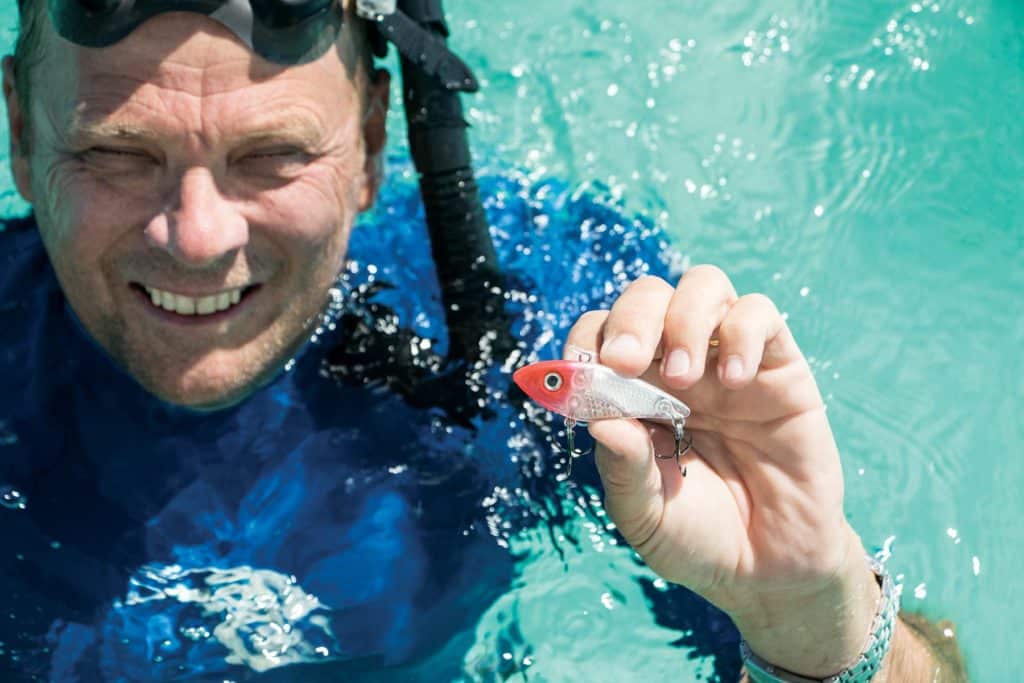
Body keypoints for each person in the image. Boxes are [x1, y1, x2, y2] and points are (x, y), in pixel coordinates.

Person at [0, 0, 966, 680]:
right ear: (18, 132)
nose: (198, 236)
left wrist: (808, 608)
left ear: (375, 139)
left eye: (274, 156)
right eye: (118, 153)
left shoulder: (553, 323)